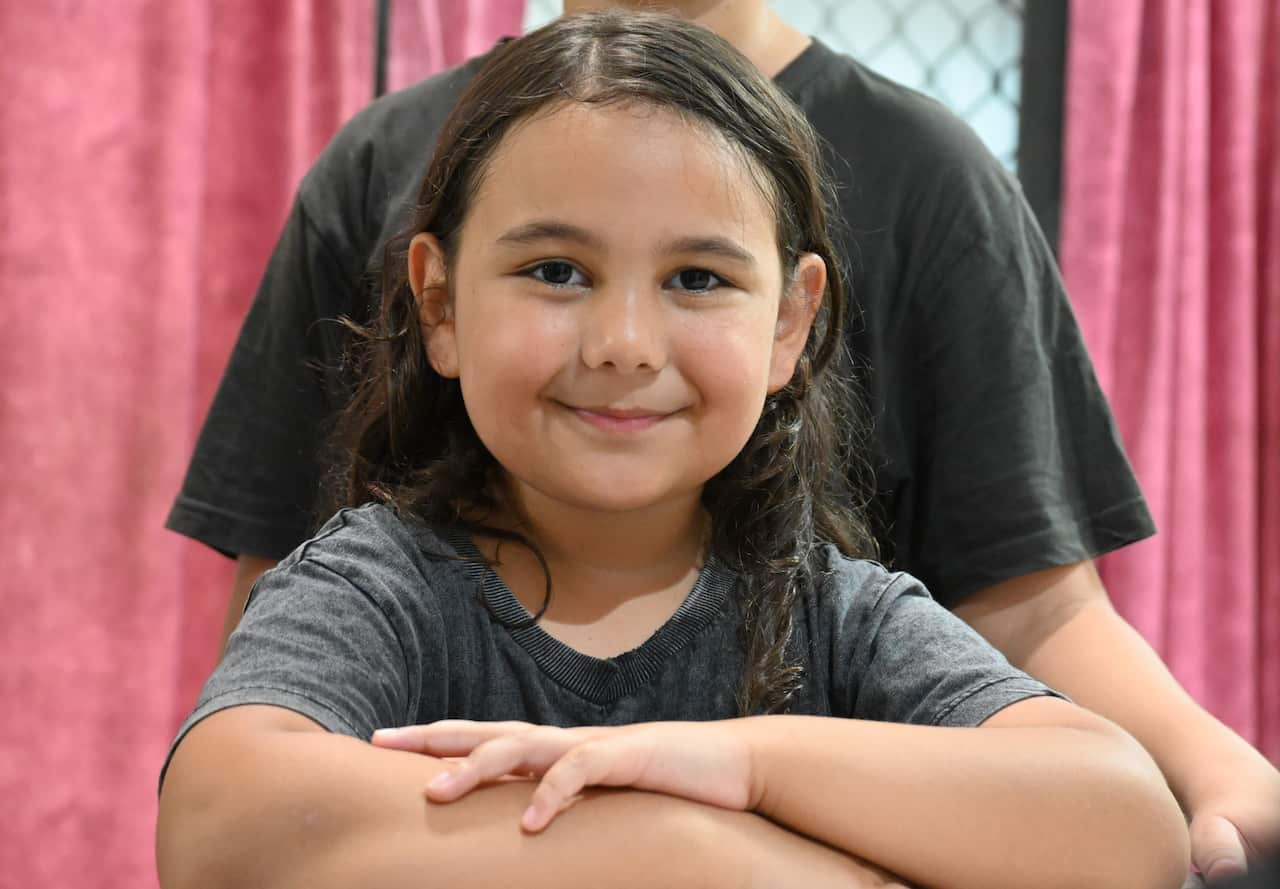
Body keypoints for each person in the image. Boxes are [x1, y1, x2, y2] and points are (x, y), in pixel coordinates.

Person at [166, 0, 1280, 880]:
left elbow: (1111, 811)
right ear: (439, 304)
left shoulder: (834, 608)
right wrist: (704, 852)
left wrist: (742, 765)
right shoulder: (372, 589)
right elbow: (223, 811)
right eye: (554, 271)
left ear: (791, 321)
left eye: (697, 279)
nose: (622, 343)